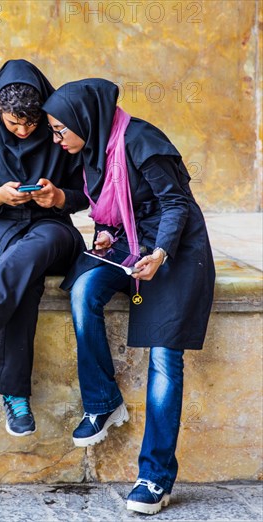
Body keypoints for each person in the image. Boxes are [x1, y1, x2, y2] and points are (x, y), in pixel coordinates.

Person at [43, 79, 215, 515]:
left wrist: (159, 254)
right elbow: (111, 201)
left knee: (163, 356)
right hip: (130, 244)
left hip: (175, 249)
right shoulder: (94, 149)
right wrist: (105, 233)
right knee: (83, 289)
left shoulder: (141, 140)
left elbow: (176, 204)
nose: (56, 138)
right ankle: (102, 400)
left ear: (84, 120)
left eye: (60, 129)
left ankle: (155, 477)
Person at [0, 60, 88, 437]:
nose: (24, 131)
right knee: (27, 274)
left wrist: (58, 196)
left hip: (48, 227)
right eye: (14, 124)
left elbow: (84, 195)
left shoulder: (59, 134)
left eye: (32, 122)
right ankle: (15, 394)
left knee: (47, 243)